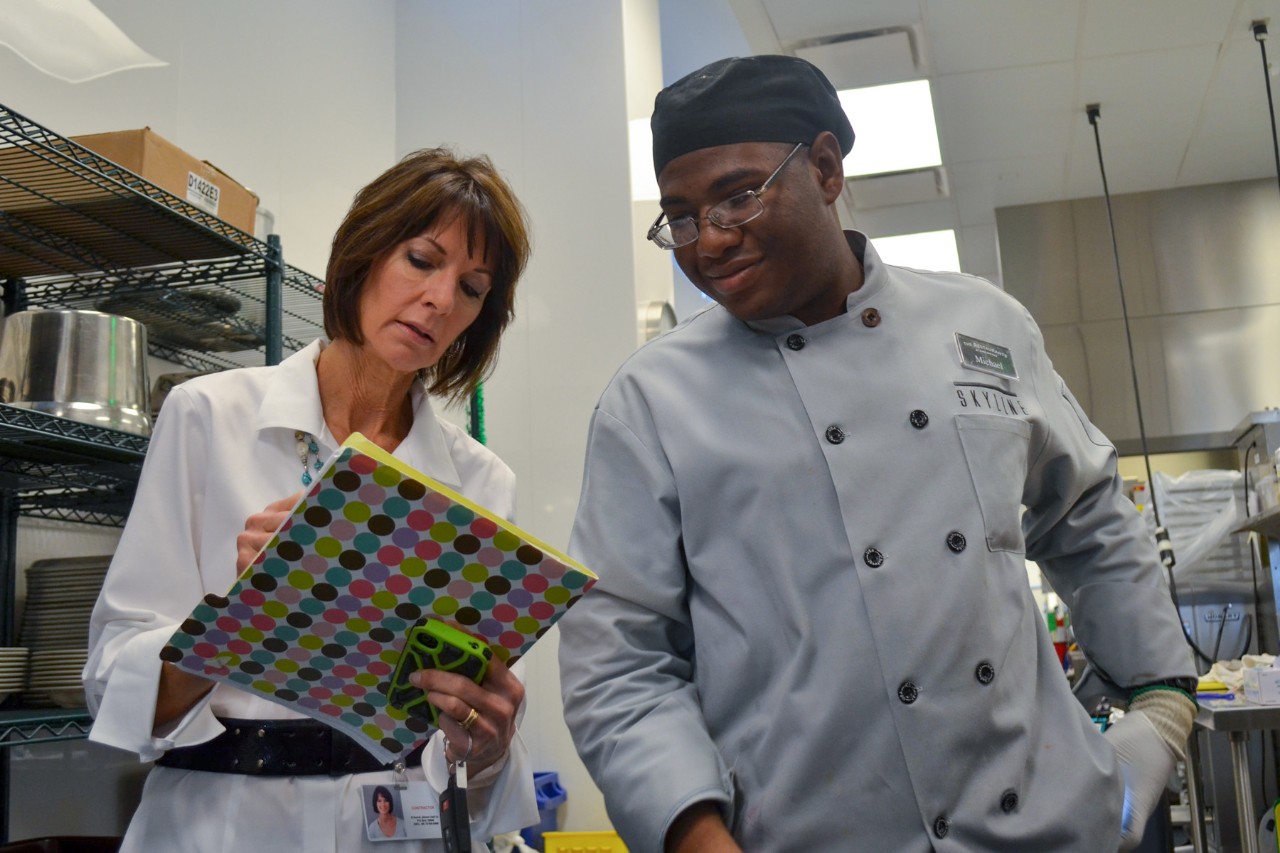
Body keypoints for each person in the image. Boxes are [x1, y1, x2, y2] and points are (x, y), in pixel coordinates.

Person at [557, 55, 1198, 853]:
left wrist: (1162, 698)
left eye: (738, 195)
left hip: (1047, 825)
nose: (709, 240)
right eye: (681, 217)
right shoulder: (651, 401)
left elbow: (1087, 512)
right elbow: (618, 660)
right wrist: (692, 832)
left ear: (825, 168)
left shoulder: (982, 324)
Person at [85, 147, 538, 852]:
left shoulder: (478, 482)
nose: (442, 300)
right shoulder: (209, 415)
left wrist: (487, 739)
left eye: (473, 288)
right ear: (363, 252)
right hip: (219, 826)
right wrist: (243, 613)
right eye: (422, 260)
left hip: (399, 826)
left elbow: (470, 768)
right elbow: (113, 680)